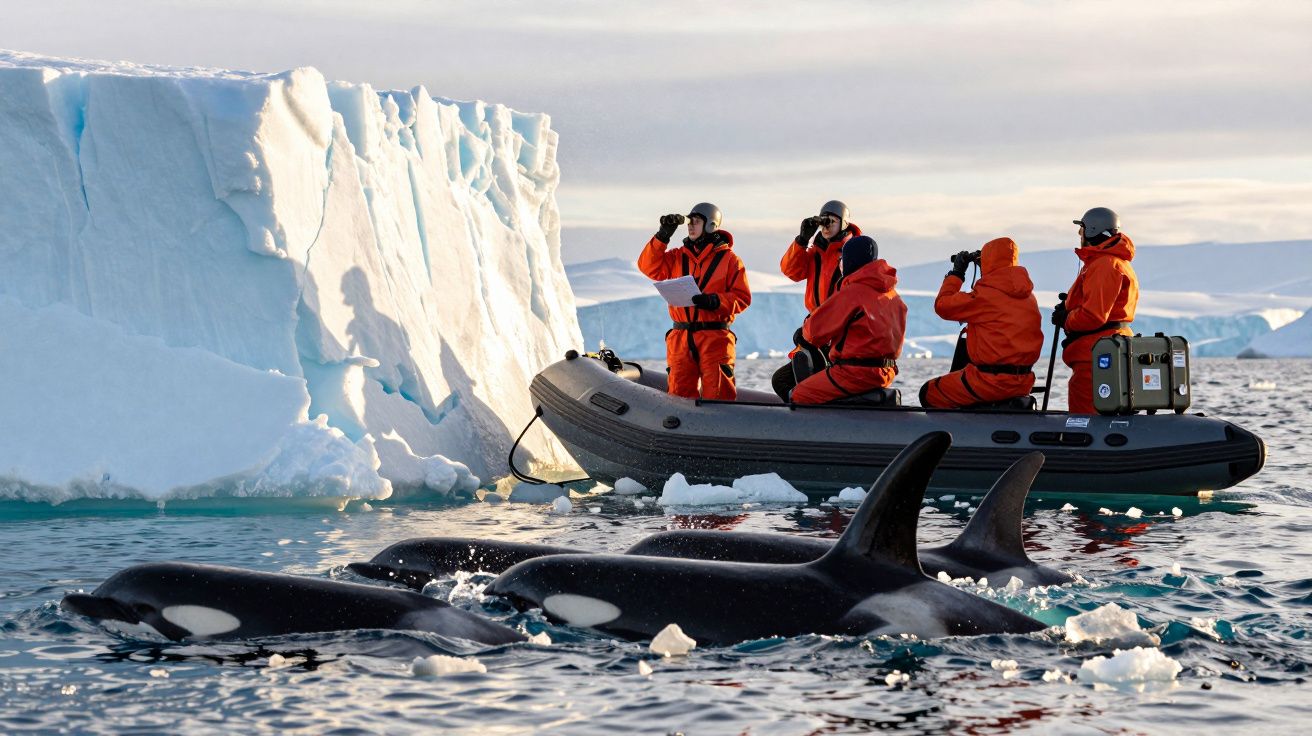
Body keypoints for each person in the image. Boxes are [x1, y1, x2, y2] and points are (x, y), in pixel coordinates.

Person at [638, 202, 751, 400]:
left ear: (711, 225)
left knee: (718, 396)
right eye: (689, 222)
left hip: (715, 337)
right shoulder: (676, 257)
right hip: (680, 337)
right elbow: (648, 267)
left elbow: (742, 298)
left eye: (696, 222)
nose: (690, 226)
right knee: (678, 396)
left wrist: (715, 301)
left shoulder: (730, 260)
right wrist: (662, 236)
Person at [919, 238, 1044, 408]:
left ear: (988, 262)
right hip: (1022, 382)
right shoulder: (1029, 298)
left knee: (929, 392)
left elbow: (943, 306)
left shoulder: (984, 296)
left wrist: (956, 274)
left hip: (989, 382)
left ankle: (963, 432)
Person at [790, 235, 906, 404]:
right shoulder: (893, 297)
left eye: (841, 259)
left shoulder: (853, 293)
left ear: (850, 260)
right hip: (886, 372)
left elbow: (814, 332)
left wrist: (802, 333)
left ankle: (828, 429)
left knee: (799, 395)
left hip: (854, 373)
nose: (840, 264)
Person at [772, 200, 864, 400]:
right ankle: (807, 417)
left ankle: (817, 415)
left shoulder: (852, 253)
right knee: (782, 380)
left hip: (839, 331)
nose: (827, 225)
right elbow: (791, 271)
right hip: (816, 328)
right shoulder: (815, 252)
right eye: (824, 221)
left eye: (832, 221)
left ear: (844, 223)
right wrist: (801, 241)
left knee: (809, 378)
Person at [1052, 207, 1138, 414]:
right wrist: (1068, 307)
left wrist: (1066, 319)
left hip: (1095, 355)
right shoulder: (1115, 263)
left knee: (1085, 413)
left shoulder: (1104, 265)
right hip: (1109, 349)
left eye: (1081, 230)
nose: (1080, 235)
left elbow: (1093, 316)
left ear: (1091, 230)